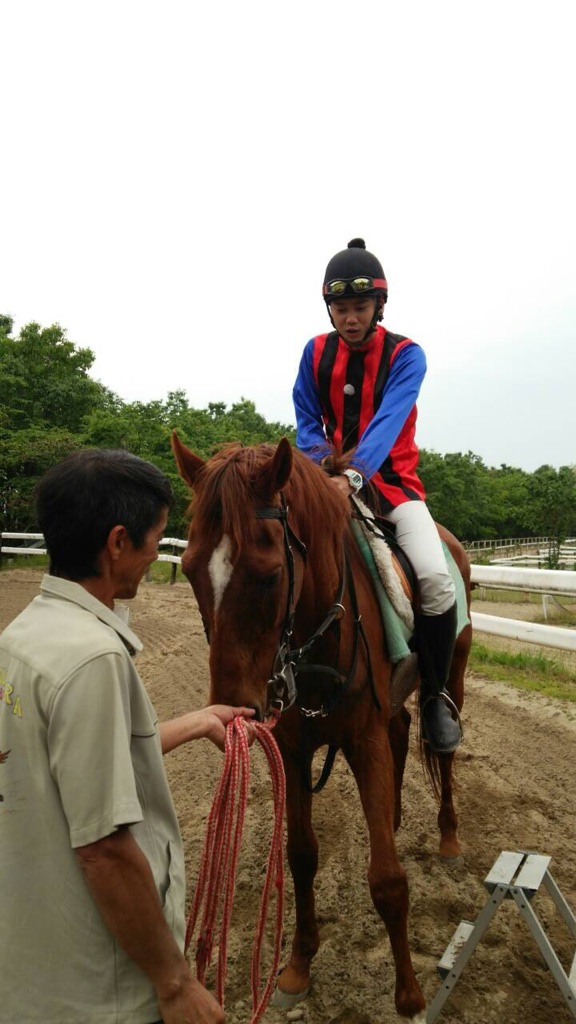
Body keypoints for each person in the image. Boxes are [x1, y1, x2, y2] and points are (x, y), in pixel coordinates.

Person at [0, 448, 255, 1024]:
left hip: (33, 965)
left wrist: (197, 721)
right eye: (154, 539)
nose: (150, 557)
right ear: (118, 543)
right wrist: (175, 984)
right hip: (97, 991)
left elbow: (68, 760)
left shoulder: (25, 634)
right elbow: (105, 851)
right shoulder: (93, 658)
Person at [292, 238, 462, 754]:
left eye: (359, 307)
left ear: (378, 306)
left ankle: (434, 698)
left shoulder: (407, 356)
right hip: (329, 487)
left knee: (434, 579)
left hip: (392, 489)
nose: (349, 318)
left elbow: (388, 424)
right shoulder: (315, 353)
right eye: (340, 308)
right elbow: (305, 421)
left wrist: (356, 474)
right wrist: (328, 467)